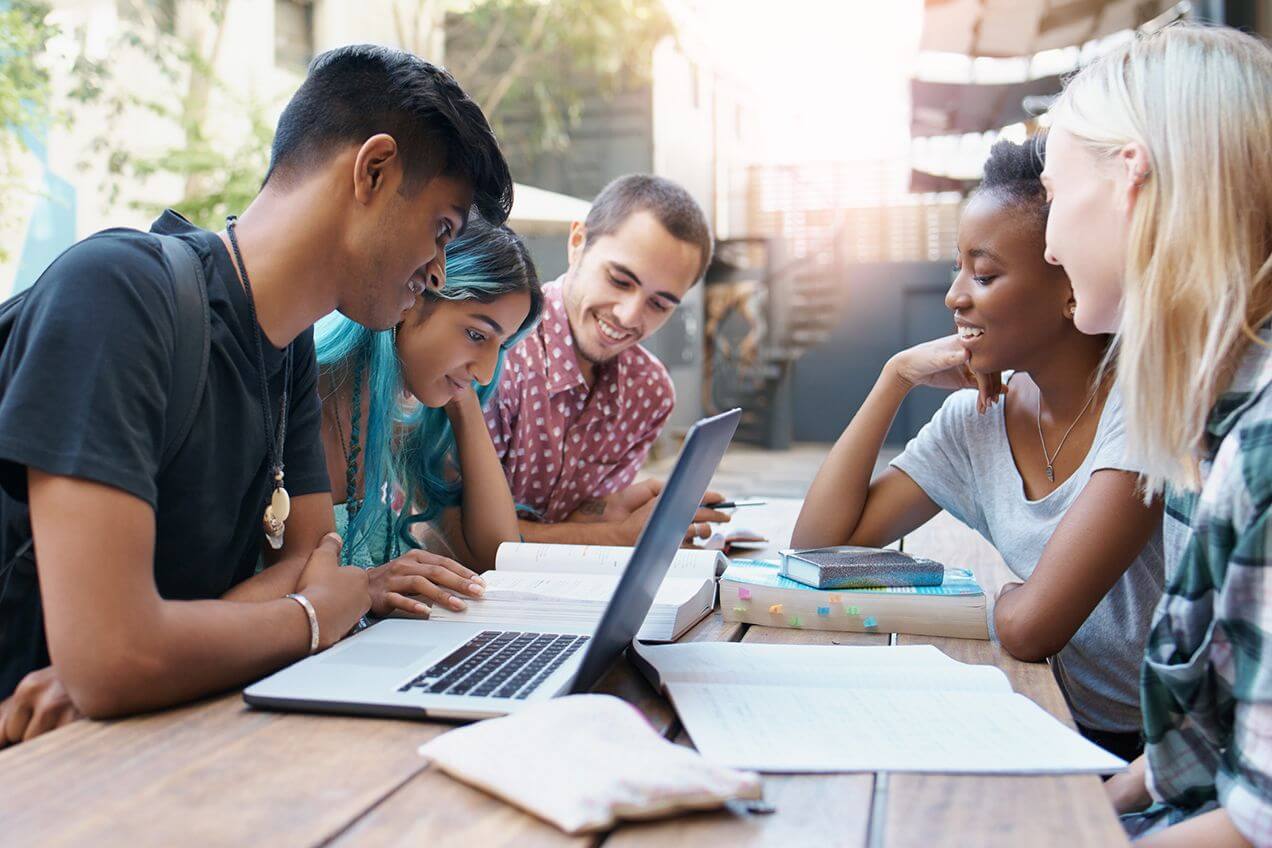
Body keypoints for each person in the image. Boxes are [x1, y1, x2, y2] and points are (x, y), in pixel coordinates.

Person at [0, 44, 513, 746]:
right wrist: (309, 617)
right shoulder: (118, 292)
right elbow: (113, 657)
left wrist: (161, 650)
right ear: (373, 169)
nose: (437, 270)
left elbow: (309, 559)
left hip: (137, 744)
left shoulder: (288, 347)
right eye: (442, 230)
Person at [792, 138, 1165, 761]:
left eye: (984, 274)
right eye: (957, 269)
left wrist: (996, 595)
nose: (955, 296)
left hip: (1152, 747)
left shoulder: (1146, 403)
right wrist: (894, 379)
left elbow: (1029, 629)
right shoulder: (977, 419)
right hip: (1045, 710)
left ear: (1070, 285)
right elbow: (818, 546)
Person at [1039, 23, 1272, 847]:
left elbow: (1256, 827)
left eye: (1055, 195)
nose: (1048, 240)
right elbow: (1212, 747)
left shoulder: (1263, 452)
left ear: (1129, 175)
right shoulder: (1206, 426)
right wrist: (1072, 814)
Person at [484, 174, 730, 546]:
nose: (630, 315)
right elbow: (456, 536)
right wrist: (615, 535)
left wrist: (616, 508)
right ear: (577, 242)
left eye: (659, 304)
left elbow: (572, 520)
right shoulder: (497, 351)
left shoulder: (650, 392)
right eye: (619, 280)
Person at [315, 215, 542, 614]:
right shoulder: (307, 394)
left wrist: (463, 402)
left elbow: (494, 556)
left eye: (501, 346)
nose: (487, 371)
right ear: (413, 294)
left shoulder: (407, 423)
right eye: (476, 335)